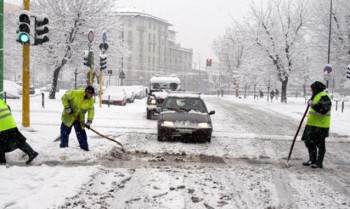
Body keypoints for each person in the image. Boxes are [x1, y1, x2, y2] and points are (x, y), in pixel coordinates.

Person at [301, 81, 331, 169]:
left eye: (312, 89)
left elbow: (324, 109)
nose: (311, 90)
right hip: (312, 124)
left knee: (320, 144)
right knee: (308, 142)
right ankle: (312, 160)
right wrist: (311, 103)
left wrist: (313, 105)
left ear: (316, 88)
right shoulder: (315, 95)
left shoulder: (324, 96)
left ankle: (319, 162)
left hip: (321, 126)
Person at [0, 99, 38, 165]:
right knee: (18, 141)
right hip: (10, 124)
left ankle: (1, 161)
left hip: (2, 127)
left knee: (0, 144)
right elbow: (8, 108)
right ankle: (31, 152)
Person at [60, 86, 95, 151]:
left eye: (93, 95)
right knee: (65, 132)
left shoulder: (91, 100)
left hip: (79, 118)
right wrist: (67, 107)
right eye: (91, 94)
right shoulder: (76, 93)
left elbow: (91, 111)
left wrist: (89, 122)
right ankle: (63, 148)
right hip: (69, 116)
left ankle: (84, 147)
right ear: (87, 92)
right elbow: (64, 97)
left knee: (81, 133)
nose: (92, 96)